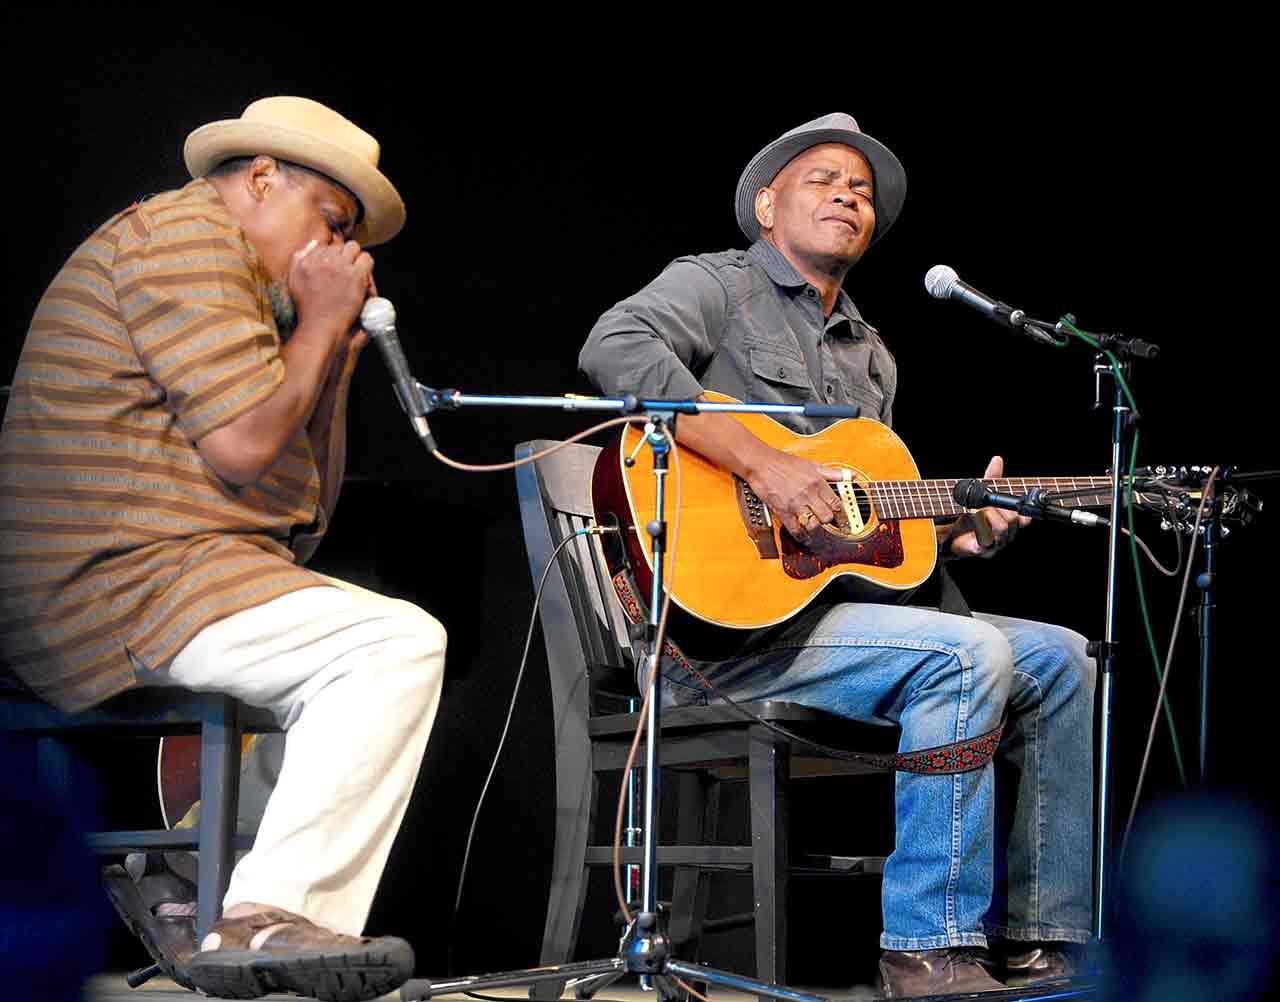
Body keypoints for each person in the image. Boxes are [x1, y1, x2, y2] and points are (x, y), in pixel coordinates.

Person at [579, 113, 1095, 997]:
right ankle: (928, 950)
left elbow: (862, 528)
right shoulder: (714, 284)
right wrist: (762, 462)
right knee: (969, 654)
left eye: (860, 189)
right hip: (714, 641)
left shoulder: (872, 355)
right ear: (769, 205)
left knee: (1065, 657)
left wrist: (957, 535)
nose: (849, 195)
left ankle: (1047, 946)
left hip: (824, 625)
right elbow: (613, 349)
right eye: (825, 180)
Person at [0, 97, 445, 1001]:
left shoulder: (249, 288)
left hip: (179, 571)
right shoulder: (185, 241)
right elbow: (242, 447)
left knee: (360, 662)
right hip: (109, 584)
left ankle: (191, 883)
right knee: (393, 645)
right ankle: (261, 916)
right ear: (261, 178)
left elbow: (300, 524)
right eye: (332, 222)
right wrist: (317, 328)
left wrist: (331, 366)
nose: (343, 256)